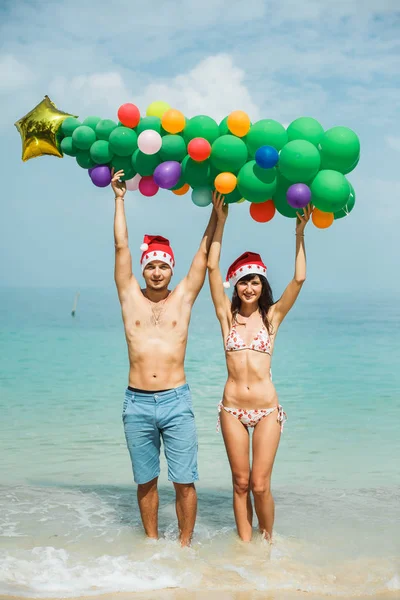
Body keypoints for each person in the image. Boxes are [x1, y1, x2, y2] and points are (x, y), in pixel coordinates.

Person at [112, 169, 217, 546]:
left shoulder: (183, 298)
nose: (157, 272)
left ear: (171, 269)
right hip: (136, 401)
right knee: (145, 480)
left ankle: (185, 547)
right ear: (145, 269)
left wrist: (218, 213)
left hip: (176, 400)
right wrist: (120, 199)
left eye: (163, 265)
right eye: (151, 266)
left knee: (185, 479)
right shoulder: (129, 296)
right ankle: (153, 545)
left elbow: (203, 256)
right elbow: (122, 248)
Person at [207, 193, 313, 543]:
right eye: (243, 280)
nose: (250, 286)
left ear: (262, 285)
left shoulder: (272, 318)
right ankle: (245, 548)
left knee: (260, 483)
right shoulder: (227, 317)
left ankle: (268, 544)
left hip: (267, 410)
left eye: (255, 280)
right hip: (232, 409)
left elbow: (298, 281)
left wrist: (300, 234)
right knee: (239, 483)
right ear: (235, 286)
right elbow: (211, 268)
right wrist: (220, 221)